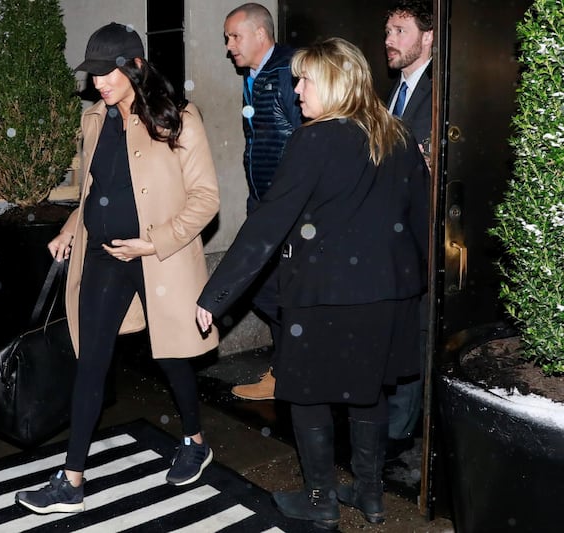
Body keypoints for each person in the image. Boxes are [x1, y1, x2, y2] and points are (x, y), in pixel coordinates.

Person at [196, 38, 429, 530]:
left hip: (325, 294)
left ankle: (321, 499)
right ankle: (370, 496)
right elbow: (420, 222)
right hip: (386, 294)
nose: (296, 90)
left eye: (304, 80)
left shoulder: (315, 139)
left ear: (335, 82)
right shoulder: (399, 137)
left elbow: (268, 223)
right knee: (369, 394)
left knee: (305, 395)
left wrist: (216, 295)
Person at [15, 22, 220, 515]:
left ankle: (194, 440)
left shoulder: (178, 118)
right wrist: (69, 228)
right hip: (104, 256)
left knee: (171, 354)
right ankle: (72, 480)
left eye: (107, 73)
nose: (99, 83)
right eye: (94, 74)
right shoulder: (94, 120)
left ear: (134, 67)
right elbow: (92, 190)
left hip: (159, 258)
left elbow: (207, 199)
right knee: (91, 362)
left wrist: (153, 243)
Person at [223, 3, 302, 400]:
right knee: (262, 285)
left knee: (273, 287)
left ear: (259, 34)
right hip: (263, 203)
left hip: (289, 208)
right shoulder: (252, 74)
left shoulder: (291, 69)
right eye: (226, 38)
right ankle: (289, 366)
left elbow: (305, 139)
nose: (229, 46)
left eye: (234, 36)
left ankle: (291, 369)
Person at [384, 0, 433, 461]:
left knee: (417, 332)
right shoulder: (392, 92)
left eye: (400, 31)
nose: (389, 40)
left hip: (421, 235)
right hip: (388, 234)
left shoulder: (440, 92)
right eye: (387, 31)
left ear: (428, 38)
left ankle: (403, 434)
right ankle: (392, 426)